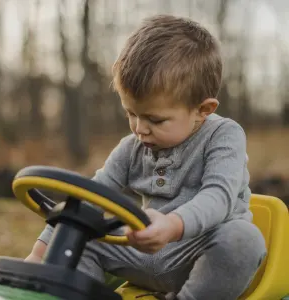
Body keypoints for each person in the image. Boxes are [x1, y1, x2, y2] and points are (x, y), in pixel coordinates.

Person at [25, 15, 267, 300]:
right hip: (144, 254)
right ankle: (71, 294)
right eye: (131, 114)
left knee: (243, 239)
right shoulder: (131, 148)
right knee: (80, 238)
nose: (139, 128)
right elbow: (90, 197)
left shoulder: (224, 136)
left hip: (196, 255)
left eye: (155, 119)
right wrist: (41, 251)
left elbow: (219, 196)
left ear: (203, 109)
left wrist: (173, 225)